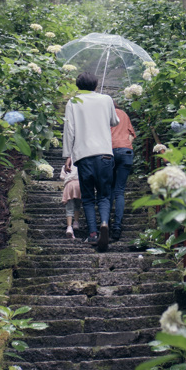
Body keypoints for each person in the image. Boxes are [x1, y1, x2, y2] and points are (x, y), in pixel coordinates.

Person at [62, 72, 119, 251]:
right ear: (95, 85)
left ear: (78, 86)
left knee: (87, 197)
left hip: (83, 155)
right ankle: (104, 223)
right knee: (104, 195)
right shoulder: (106, 99)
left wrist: (68, 155)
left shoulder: (73, 102)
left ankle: (93, 233)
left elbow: (69, 130)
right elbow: (114, 121)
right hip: (105, 155)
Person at [109, 107, 136, 242]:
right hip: (126, 151)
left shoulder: (104, 114)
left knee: (108, 189)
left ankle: (105, 223)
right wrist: (124, 146)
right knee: (119, 191)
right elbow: (131, 134)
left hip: (109, 152)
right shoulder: (124, 114)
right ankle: (117, 227)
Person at [60, 157, 81, 239]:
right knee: (77, 205)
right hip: (79, 184)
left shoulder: (65, 166)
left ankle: (69, 227)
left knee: (69, 208)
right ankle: (76, 222)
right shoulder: (81, 164)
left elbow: (62, 177)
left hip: (69, 185)